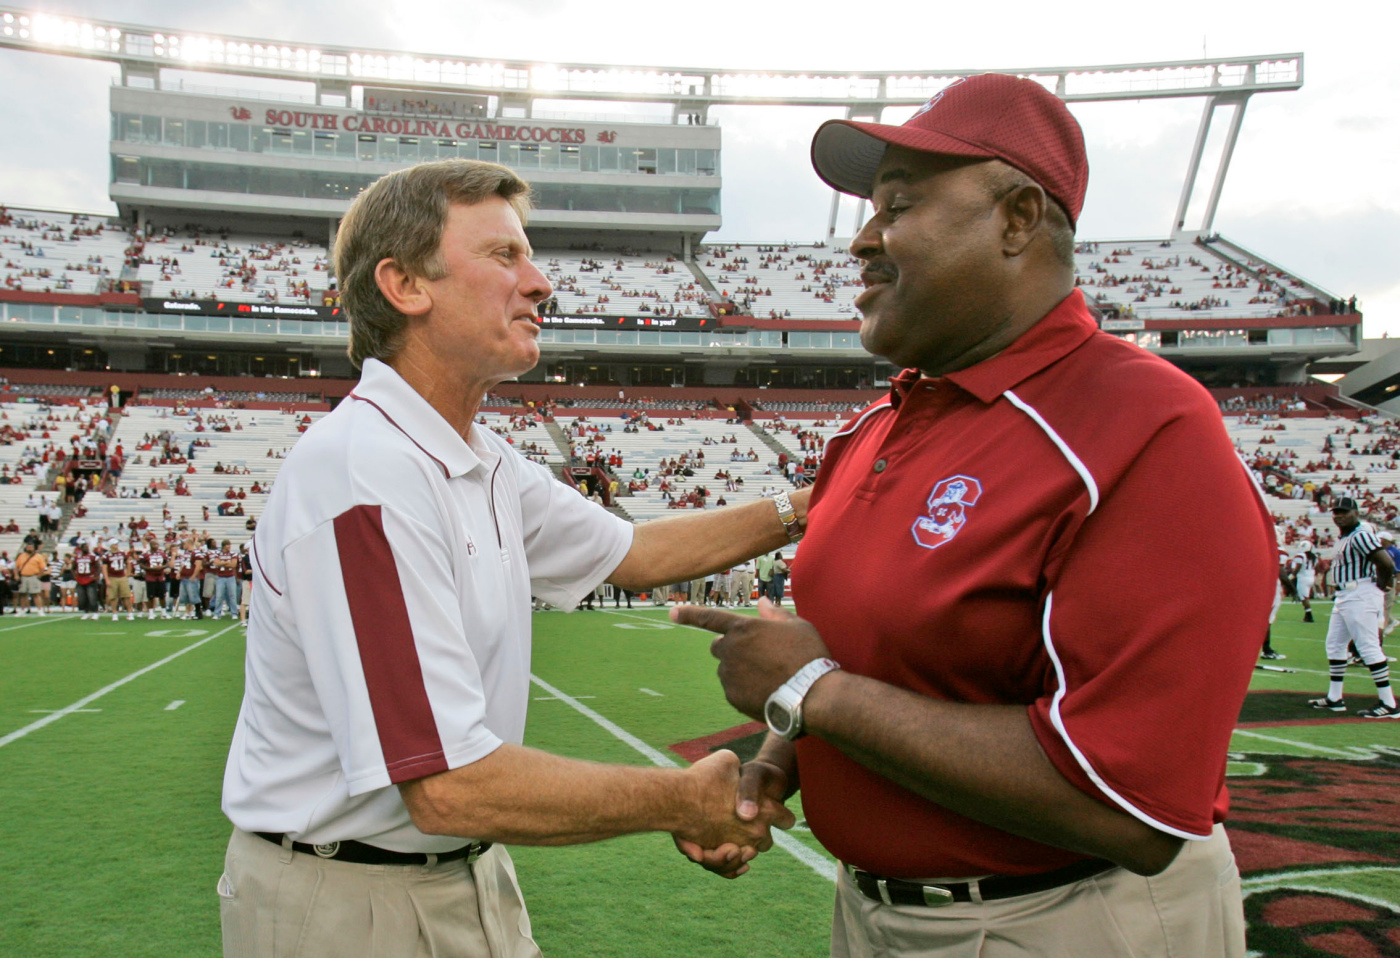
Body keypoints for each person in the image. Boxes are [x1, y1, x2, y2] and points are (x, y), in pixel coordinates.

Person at [674, 74, 1275, 958]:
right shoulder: (881, 426)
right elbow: (886, 662)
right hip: (875, 913)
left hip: (1068, 919)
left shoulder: (1145, 425)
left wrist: (812, 692)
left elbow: (1134, 805)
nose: (863, 241)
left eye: (899, 205)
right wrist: (780, 764)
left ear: (1019, 218)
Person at [220, 159, 804, 958]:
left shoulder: (477, 455)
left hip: (462, 874)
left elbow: (634, 551)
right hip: (351, 904)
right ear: (405, 285)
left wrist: (818, 505)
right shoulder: (366, 473)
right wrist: (679, 799)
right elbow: (449, 787)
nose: (540, 283)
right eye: (504, 256)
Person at [1307, 497, 1398, 717]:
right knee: (1335, 645)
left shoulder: (1360, 535)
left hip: (1360, 592)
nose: (1339, 515)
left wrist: (1381, 585)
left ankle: (1389, 703)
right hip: (1345, 594)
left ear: (1355, 513)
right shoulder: (1345, 536)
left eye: (1344, 512)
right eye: (1336, 512)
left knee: (1368, 646)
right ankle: (1335, 698)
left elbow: (1386, 563)